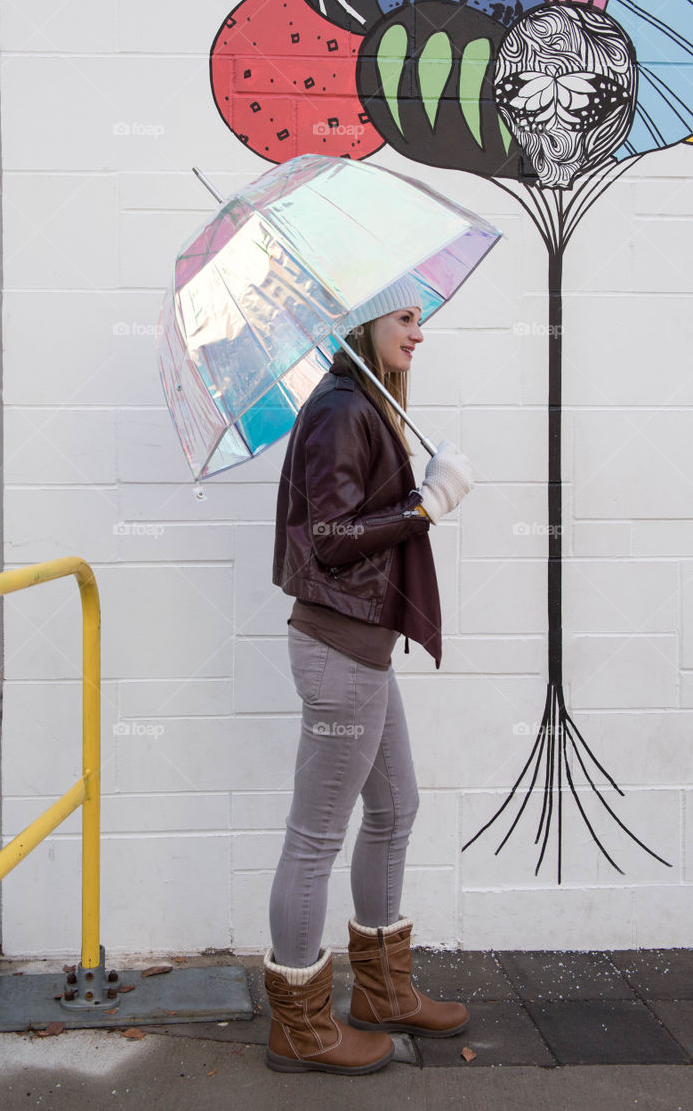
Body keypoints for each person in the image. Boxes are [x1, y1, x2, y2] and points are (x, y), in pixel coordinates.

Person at [263, 274, 475, 1075]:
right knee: (316, 834)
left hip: (364, 648)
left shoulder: (365, 405)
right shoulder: (340, 408)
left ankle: (383, 992)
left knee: (394, 807)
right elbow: (330, 537)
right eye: (405, 317)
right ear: (364, 322)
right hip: (339, 650)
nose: (418, 332)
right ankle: (298, 1026)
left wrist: (420, 488)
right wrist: (428, 504)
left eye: (421, 318)